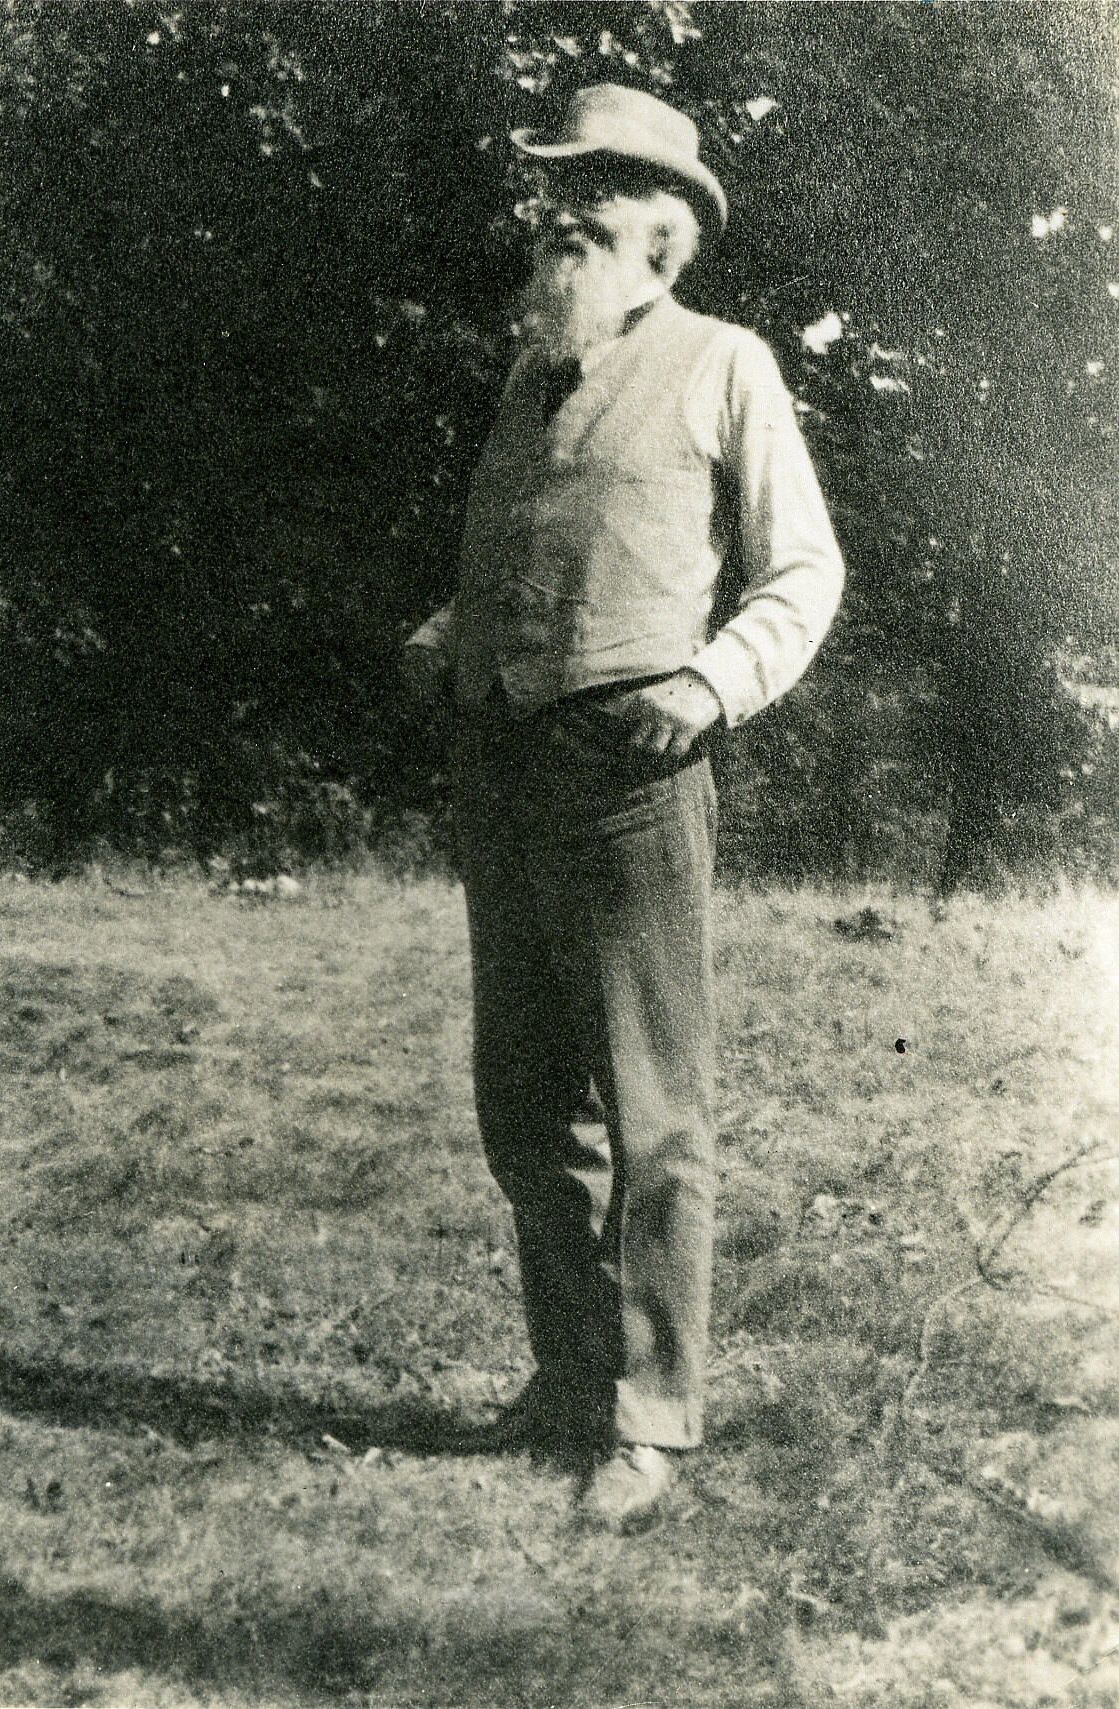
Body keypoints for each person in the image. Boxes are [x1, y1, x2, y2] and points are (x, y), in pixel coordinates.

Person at [402, 84, 845, 1531]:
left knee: (655, 1115)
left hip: (634, 772)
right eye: (553, 204)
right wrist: (452, 631)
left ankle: (652, 1420)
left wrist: (714, 684)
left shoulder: (727, 363)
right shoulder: (528, 380)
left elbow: (803, 571)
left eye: (589, 206)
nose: (558, 226)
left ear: (663, 240)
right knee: (527, 1104)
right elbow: (532, 556)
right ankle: (570, 1377)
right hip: (504, 765)